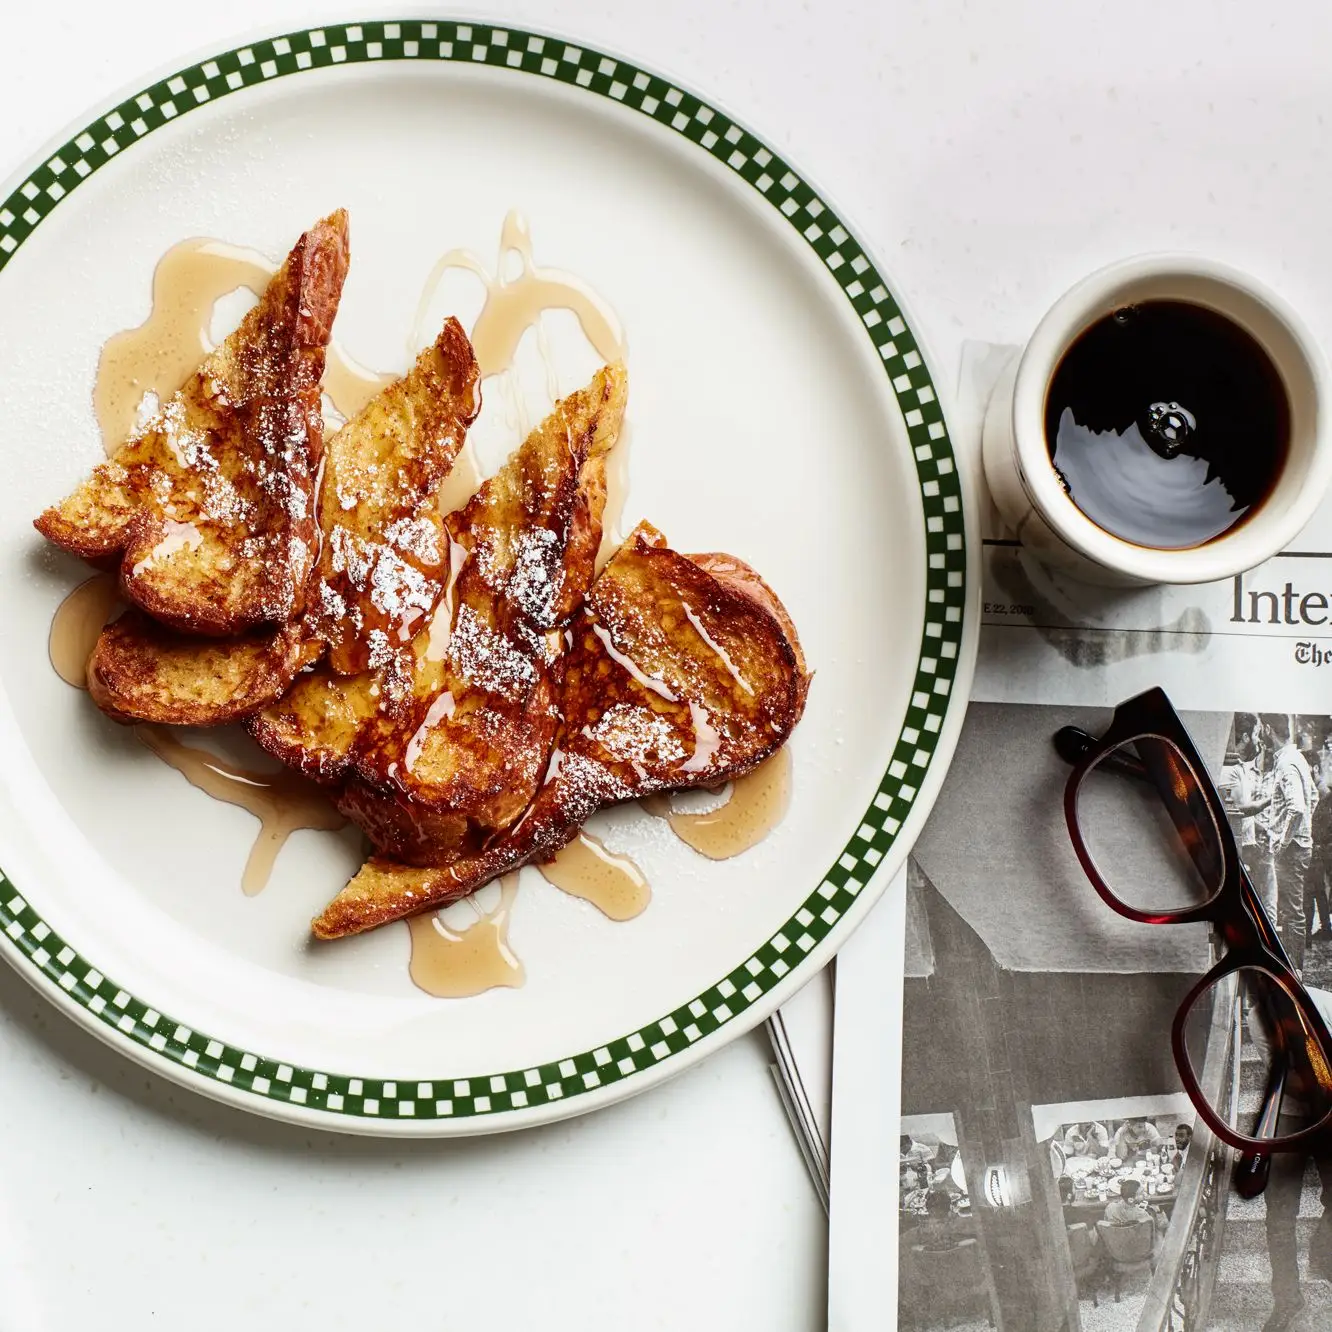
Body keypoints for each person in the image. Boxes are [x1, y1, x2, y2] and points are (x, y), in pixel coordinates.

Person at [1262, 713, 1319, 973]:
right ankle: (1292, 968)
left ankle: (1294, 971)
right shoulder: (1297, 759)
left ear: (1267, 729)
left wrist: (1283, 842)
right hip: (1299, 845)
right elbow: (1313, 797)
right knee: (1291, 909)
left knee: (1292, 911)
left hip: (1292, 849)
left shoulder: (1286, 763)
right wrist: (1302, 827)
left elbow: (1296, 808)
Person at [1223, 714, 1274, 909]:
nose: (1258, 740)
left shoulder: (1240, 766)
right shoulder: (1230, 769)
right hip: (1239, 846)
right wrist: (1270, 800)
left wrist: (1262, 828)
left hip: (1247, 844)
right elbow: (1235, 811)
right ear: (1244, 737)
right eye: (1255, 735)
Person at [1309, 733, 1332, 942]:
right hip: (1322, 848)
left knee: (1320, 888)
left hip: (1324, 848)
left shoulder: (1323, 793)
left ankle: (1326, 927)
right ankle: (1326, 926)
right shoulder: (1322, 791)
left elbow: (1324, 825)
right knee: (1319, 889)